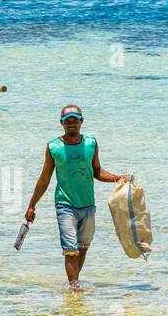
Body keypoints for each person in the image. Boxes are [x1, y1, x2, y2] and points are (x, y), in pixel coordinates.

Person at [24, 105, 125, 290]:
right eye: (67, 120)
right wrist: (32, 205)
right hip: (65, 205)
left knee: (83, 247)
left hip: (88, 205)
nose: (71, 123)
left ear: (81, 121)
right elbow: (44, 178)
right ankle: (75, 287)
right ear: (61, 123)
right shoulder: (53, 147)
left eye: (75, 120)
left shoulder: (91, 144)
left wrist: (118, 178)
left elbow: (97, 171)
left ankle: (74, 286)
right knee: (70, 251)